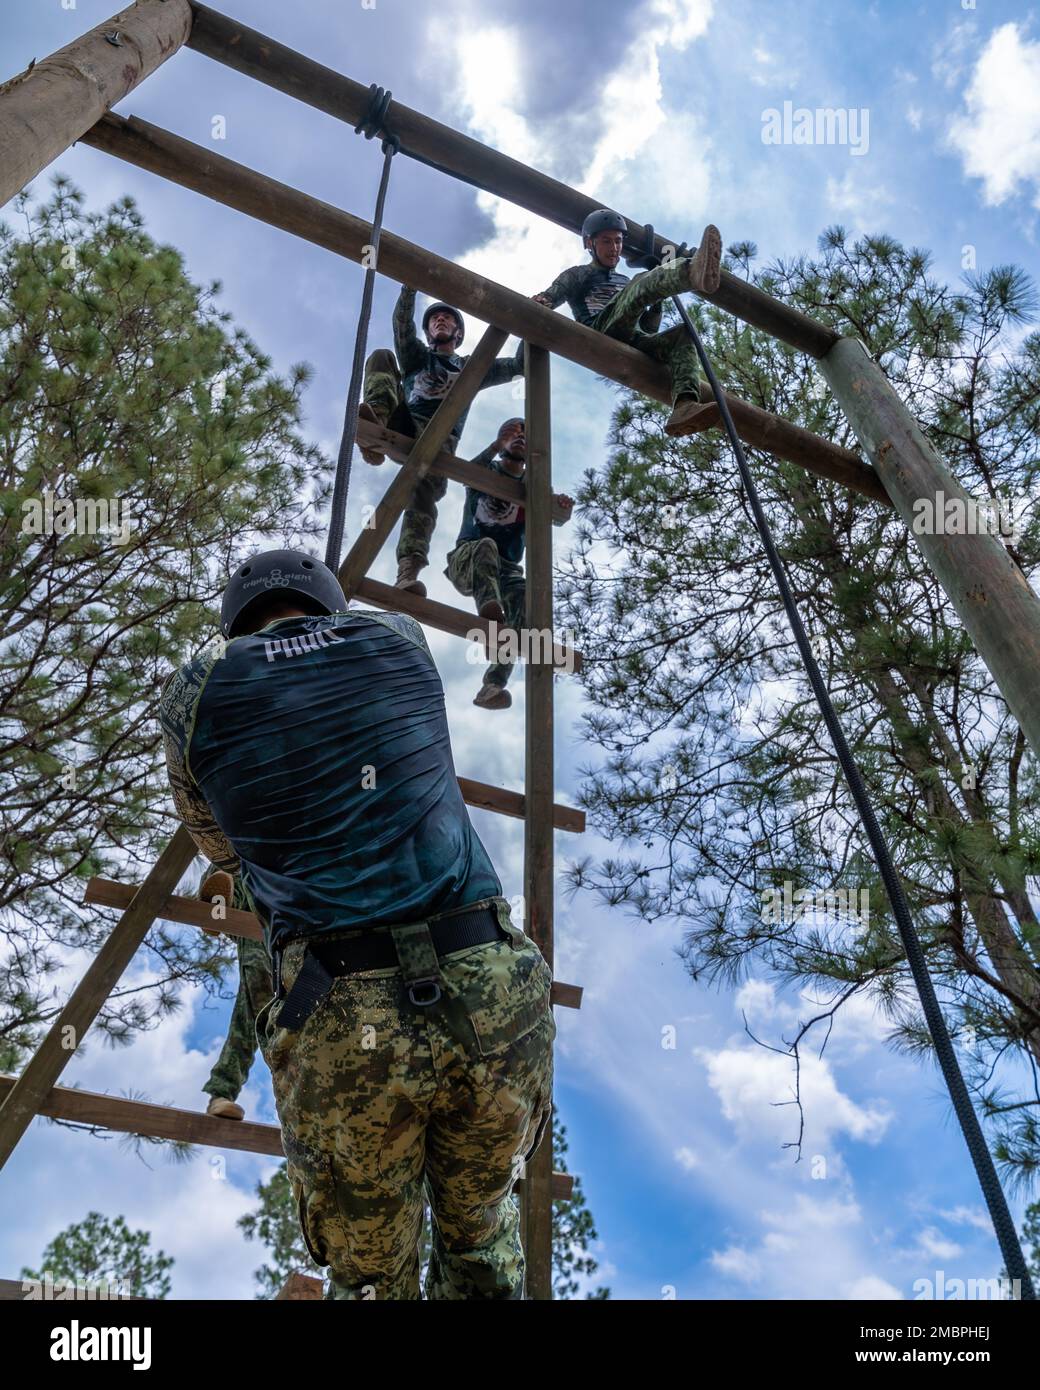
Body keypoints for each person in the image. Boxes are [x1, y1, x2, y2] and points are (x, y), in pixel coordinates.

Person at [159, 550, 555, 1300]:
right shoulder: (398, 637)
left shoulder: (192, 689)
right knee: (480, 1240)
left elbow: (220, 845)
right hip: (489, 990)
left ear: (233, 622)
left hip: (339, 1011)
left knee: (371, 1278)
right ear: (328, 601)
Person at [356, 287, 525, 598]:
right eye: (435, 319)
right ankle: (375, 427)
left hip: (440, 444)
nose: (441, 321)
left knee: (422, 498)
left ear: (458, 333)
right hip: (405, 425)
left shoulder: (472, 368)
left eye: (448, 318)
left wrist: (531, 324)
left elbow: (517, 367)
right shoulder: (417, 357)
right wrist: (411, 284)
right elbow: (401, 323)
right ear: (429, 331)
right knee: (382, 355)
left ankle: (407, 572)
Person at [533, 211, 724, 437]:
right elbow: (552, 296)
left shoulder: (624, 282)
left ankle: (685, 406)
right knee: (638, 284)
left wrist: (655, 305)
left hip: (631, 335)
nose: (614, 248)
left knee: (683, 335)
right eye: (606, 241)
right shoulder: (579, 275)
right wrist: (543, 301)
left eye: (618, 241)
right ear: (589, 243)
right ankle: (691, 272)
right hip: (599, 329)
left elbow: (648, 329)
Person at [446, 417, 573, 710]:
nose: (520, 436)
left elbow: (554, 515)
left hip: (506, 572)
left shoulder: (534, 485)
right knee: (487, 546)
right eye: (513, 431)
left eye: (527, 434)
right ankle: (492, 616)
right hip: (469, 559)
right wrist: (495, 445)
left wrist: (561, 508)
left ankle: (492, 685)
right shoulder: (486, 471)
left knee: (526, 600)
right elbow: (465, 473)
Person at [197, 867, 273, 1122]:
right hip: (254, 913)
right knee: (256, 993)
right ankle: (222, 903)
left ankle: (222, 1091)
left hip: (289, 914)